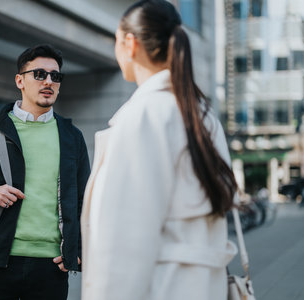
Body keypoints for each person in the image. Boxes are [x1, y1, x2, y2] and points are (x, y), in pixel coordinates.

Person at [81, 1, 238, 299]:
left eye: (116, 40)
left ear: (130, 43)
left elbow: (124, 242)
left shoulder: (144, 115)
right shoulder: (202, 114)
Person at [0, 44, 90, 300]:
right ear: (19, 80)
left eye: (55, 76)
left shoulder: (72, 137)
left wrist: (78, 248)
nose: (49, 81)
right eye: (39, 74)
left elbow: (84, 198)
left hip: (51, 266)